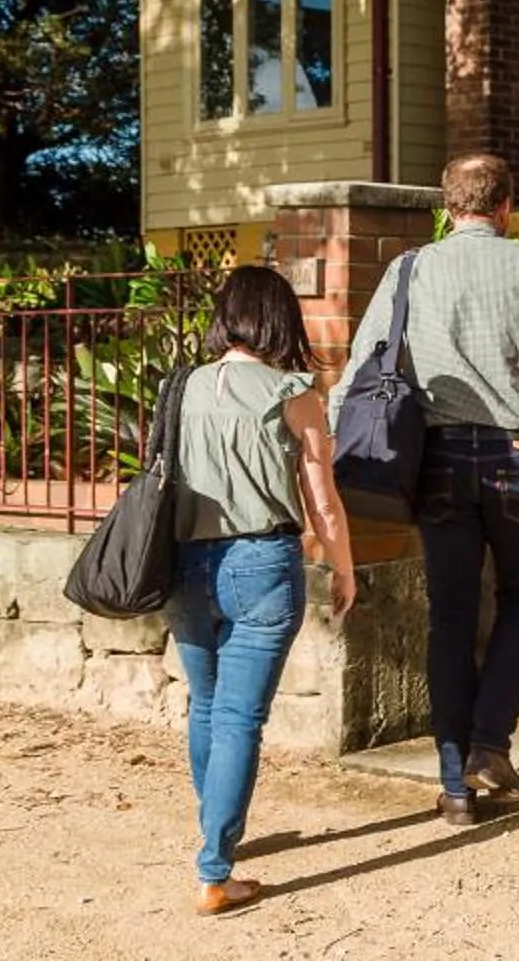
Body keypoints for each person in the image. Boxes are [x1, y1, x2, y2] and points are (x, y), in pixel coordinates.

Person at [341, 151, 519, 825]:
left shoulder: (411, 269)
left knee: (448, 615)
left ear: (448, 208)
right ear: (506, 207)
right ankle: (489, 744)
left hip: (439, 457)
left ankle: (454, 786)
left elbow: (363, 364)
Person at [167, 264, 355, 916]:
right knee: (241, 717)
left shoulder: (182, 387)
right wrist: (344, 569)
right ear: (279, 318)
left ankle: (214, 827)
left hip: (187, 566)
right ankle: (215, 872)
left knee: (206, 705)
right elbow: (323, 501)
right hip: (263, 563)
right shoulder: (293, 392)